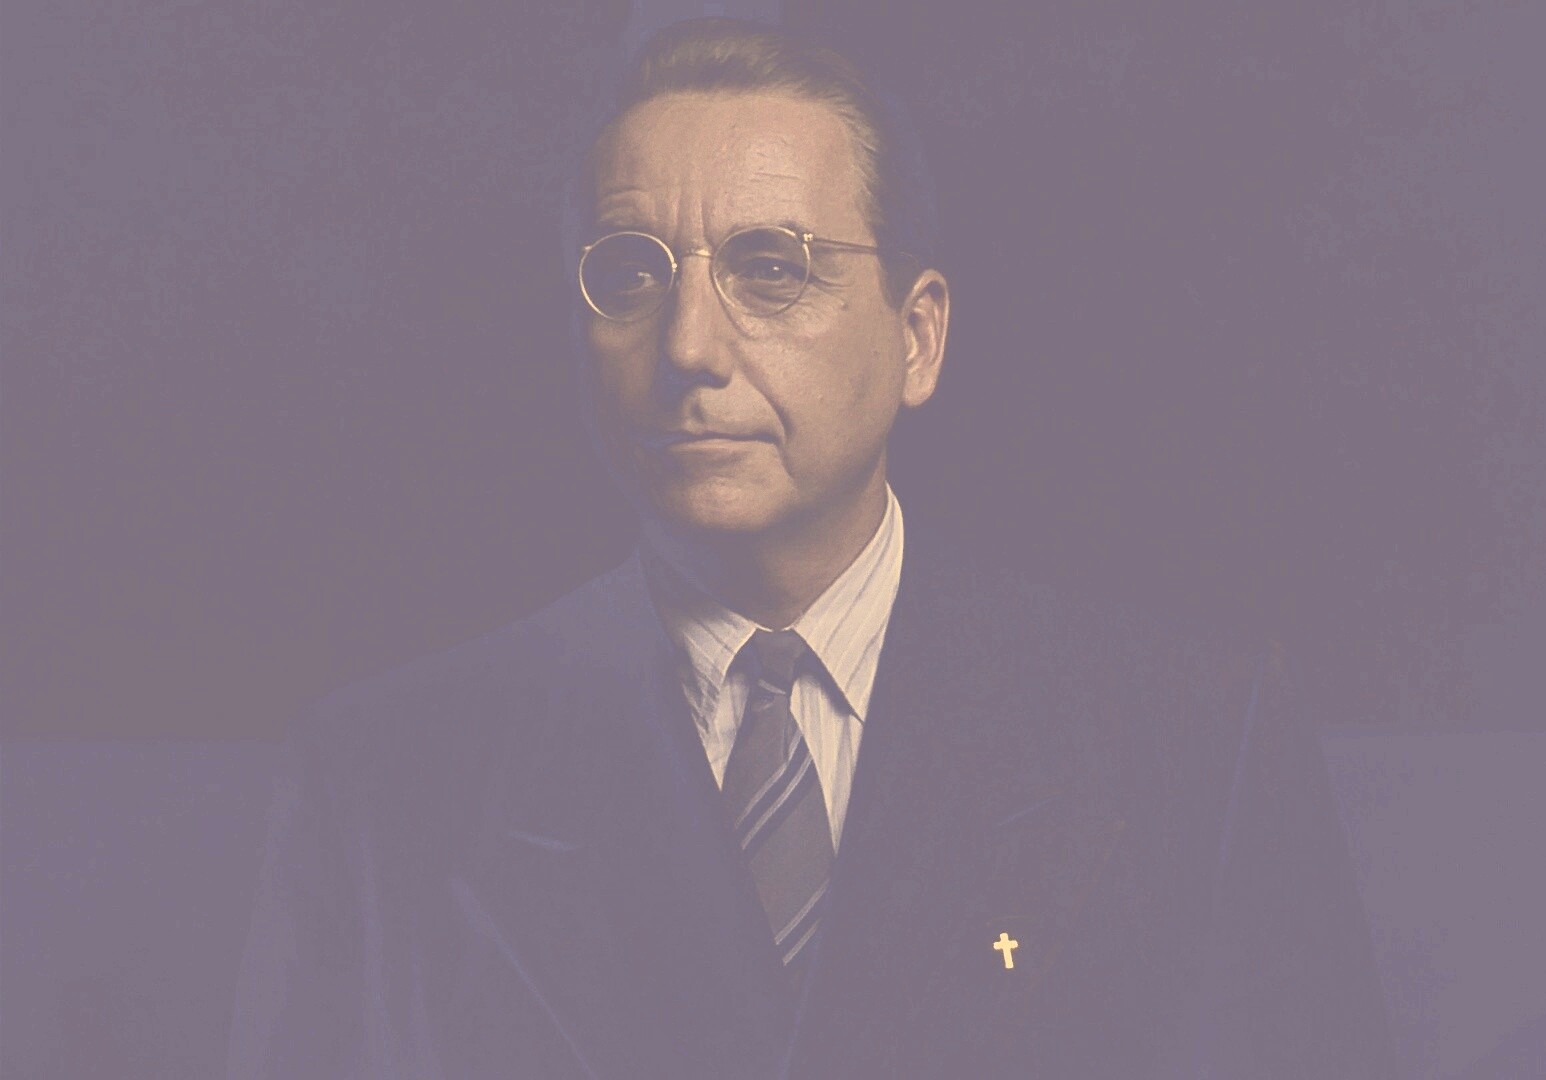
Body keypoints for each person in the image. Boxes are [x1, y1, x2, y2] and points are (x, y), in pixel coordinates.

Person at [227, 17, 1393, 1079]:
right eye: (629, 274)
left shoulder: (1189, 739)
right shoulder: (384, 782)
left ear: (918, 337)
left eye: (770, 268)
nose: (689, 345)